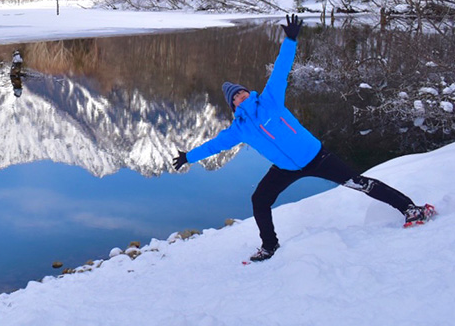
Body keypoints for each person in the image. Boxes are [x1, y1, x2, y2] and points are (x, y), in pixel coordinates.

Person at [172, 15, 435, 262]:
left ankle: (410, 209)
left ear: (247, 92)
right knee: (259, 200)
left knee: (359, 182)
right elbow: (215, 145)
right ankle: (269, 245)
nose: (240, 97)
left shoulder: (270, 100)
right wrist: (188, 157)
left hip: (316, 157)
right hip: (285, 169)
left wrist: (290, 41)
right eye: (235, 98)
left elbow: (281, 69)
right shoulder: (239, 129)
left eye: (241, 92)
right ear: (233, 105)